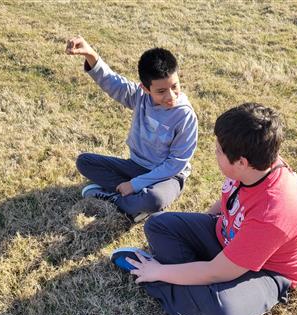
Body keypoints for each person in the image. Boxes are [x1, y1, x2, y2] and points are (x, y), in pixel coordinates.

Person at [111, 103, 297, 315]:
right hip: (227, 237)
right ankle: (190, 290)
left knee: (220, 314)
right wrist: (198, 230)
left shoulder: (274, 211)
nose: (215, 153)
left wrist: (157, 273)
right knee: (158, 225)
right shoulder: (259, 161)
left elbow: (218, 272)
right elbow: (228, 199)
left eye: (218, 150)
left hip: (267, 271)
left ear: (241, 162)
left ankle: (157, 278)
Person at [65, 36, 198, 222]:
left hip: (168, 178)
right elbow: (112, 82)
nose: (170, 96)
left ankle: (119, 199)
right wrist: (91, 55)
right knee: (85, 162)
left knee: (155, 199)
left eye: (174, 86)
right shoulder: (139, 97)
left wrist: (135, 184)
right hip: (136, 166)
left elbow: (176, 163)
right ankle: (133, 202)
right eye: (161, 91)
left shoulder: (185, 115)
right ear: (145, 88)